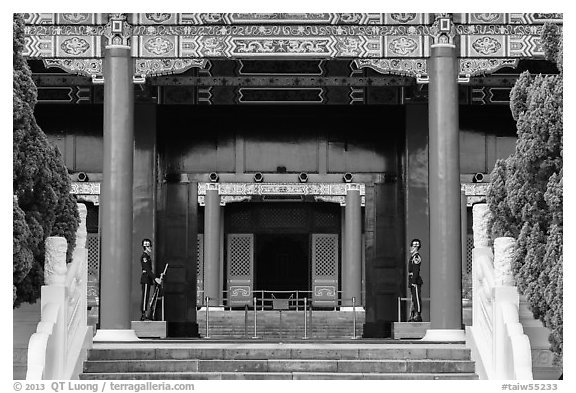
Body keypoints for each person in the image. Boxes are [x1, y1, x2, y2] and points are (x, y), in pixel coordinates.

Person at [140, 238, 161, 321]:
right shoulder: (144, 257)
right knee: (145, 297)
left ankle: (146, 314)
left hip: (148, 279)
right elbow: (147, 270)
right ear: (146, 247)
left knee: (147, 296)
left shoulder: (147, 256)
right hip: (145, 278)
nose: (150, 248)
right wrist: (155, 278)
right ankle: (143, 314)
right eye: (149, 247)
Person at [408, 238, 423, 322]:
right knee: (414, 298)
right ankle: (413, 314)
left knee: (416, 298)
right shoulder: (412, 257)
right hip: (412, 280)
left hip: (415, 281)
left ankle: (418, 314)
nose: (412, 248)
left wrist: (413, 281)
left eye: (414, 247)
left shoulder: (416, 257)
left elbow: (416, 270)